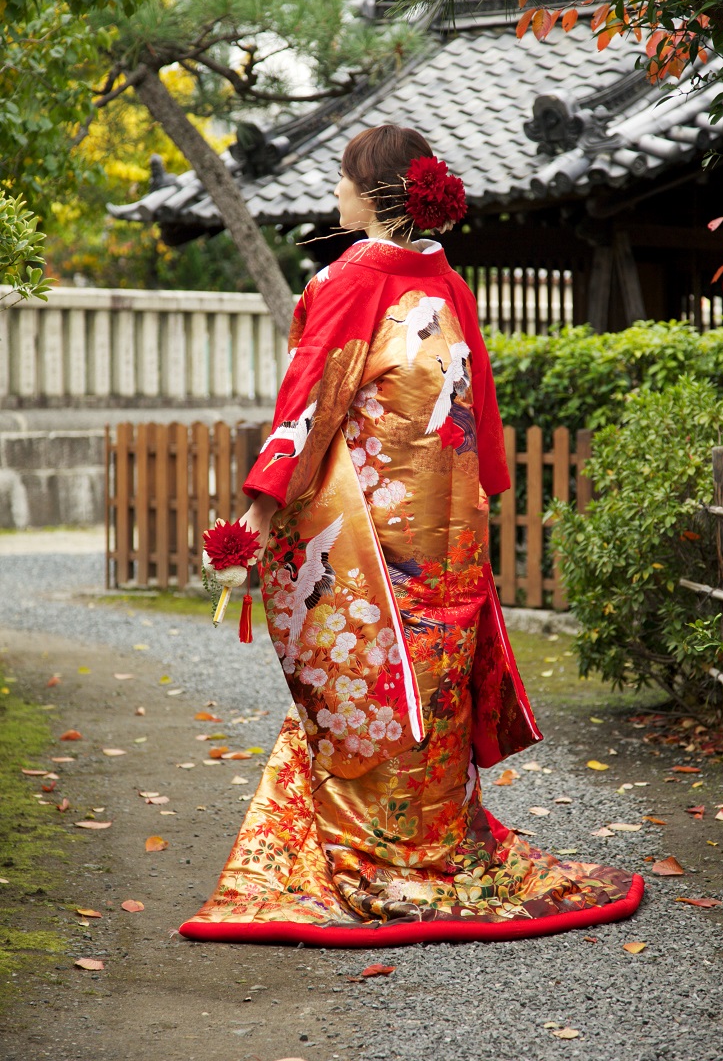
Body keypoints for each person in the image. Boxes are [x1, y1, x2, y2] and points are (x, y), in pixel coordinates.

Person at [179, 125, 644, 946]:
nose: (334, 192)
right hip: (449, 528)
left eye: (342, 179)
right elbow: (480, 417)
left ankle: (376, 850)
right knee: (427, 684)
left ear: (375, 193)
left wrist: (259, 511)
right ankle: (439, 844)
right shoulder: (445, 281)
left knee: (370, 683)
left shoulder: (349, 279)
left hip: (372, 532)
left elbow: (312, 405)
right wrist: (483, 495)